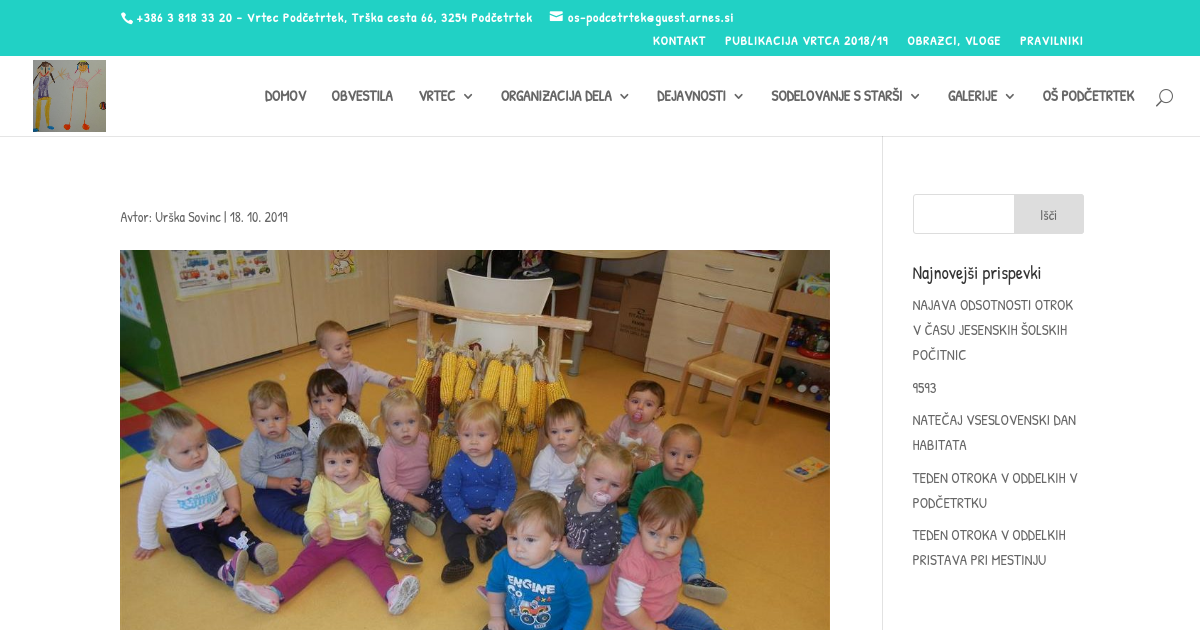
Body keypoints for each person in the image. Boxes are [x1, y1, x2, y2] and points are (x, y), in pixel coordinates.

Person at [234, 424, 420, 615]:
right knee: (304, 564)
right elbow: (312, 512)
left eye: (348, 461)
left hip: (364, 540)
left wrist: (375, 523)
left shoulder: (371, 483)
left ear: (361, 459)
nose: (340, 469)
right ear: (322, 462)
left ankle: (393, 594)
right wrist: (318, 528)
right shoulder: (321, 483)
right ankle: (274, 593)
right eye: (332, 462)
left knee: (378, 566)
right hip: (329, 539)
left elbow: (381, 508)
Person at [134, 407, 278, 588]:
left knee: (238, 533)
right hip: (186, 529)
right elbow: (147, 511)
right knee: (203, 550)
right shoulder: (160, 477)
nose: (197, 454)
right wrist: (148, 542)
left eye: (201, 445)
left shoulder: (211, 459)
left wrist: (233, 510)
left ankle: (258, 551)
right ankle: (224, 571)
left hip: (220, 516)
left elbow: (229, 483)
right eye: (185, 452)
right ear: (165, 452)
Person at [620, 424, 726, 604]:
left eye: (689, 456)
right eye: (674, 454)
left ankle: (695, 577)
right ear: (661, 452)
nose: (680, 461)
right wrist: (646, 527)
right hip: (645, 523)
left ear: (697, 459)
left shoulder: (694, 484)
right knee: (622, 523)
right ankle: (621, 549)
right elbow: (635, 504)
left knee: (689, 543)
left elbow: (696, 511)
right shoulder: (647, 478)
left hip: (675, 528)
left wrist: (680, 530)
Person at [603, 487, 724, 630]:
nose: (661, 544)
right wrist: (653, 628)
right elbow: (627, 607)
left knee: (707, 625)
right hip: (629, 623)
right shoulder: (635, 563)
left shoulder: (673, 549)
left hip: (665, 609)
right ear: (641, 523)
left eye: (672, 537)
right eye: (653, 533)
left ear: (686, 535)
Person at [481, 491, 592, 630]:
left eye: (530, 539)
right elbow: (495, 588)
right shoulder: (503, 560)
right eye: (513, 538)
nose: (519, 548)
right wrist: (497, 617)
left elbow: (581, 607)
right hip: (511, 623)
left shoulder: (569, 574)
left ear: (554, 542)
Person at [440, 398, 518, 583]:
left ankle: (489, 543)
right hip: (465, 509)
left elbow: (508, 487)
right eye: (467, 435)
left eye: (481, 435)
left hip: (493, 508)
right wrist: (467, 518)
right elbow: (450, 494)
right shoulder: (456, 463)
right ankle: (460, 559)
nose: (473, 441)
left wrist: (499, 513)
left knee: (514, 521)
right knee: (448, 527)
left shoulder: (502, 460)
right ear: (458, 435)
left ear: (495, 438)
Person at [374, 388, 446, 565]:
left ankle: (428, 515)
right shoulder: (388, 452)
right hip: (398, 494)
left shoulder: (423, 439)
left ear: (420, 420)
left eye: (411, 422)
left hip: (423, 488)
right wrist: (411, 499)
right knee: (400, 510)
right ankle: (396, 544)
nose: (405, 429)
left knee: (448, 489)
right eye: (397, 424)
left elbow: (422, 464)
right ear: (387, 426)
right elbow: (388, 486)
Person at [240, 380, 315, 536]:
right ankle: (305, 527)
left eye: (277, 418)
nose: (271, 425)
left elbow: (309, 456)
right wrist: (279, 483)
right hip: (271, 491)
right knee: (267, 506)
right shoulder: (254, 444)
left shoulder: (297, 434)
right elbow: (248, 474)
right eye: (263, 420)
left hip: (301, 483)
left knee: (328, 485)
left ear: (288, 416)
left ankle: (336, 517)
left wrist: (308, 478)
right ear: (253, 421)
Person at [560, 442, 634, 584]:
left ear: (624, 489)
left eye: (614, 485)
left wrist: (564, 551)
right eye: (598, 479)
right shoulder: (575, 490)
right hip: (568, 544)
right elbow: (562, 507)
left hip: (592, 565)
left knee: (569, 577)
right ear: (584, 475)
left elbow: (592, 557)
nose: (605, 489)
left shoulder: (607, 521)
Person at [313, 320, 402, 412]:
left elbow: (375, 375)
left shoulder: (357, 369)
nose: (346, 350)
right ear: (324, 353)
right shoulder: (320, 373)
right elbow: (315, 398)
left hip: (352, 415)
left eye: (348, 345)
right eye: (339, 348)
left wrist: (390, 380)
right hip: (328, 415)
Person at [305, 368, 383, 474]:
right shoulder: (315, 423)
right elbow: (315, 449)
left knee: (370, 465)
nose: (322, 406)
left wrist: (342, 430)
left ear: (343, 399)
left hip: (367, 449)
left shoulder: (350, 418)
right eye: (316, 401)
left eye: (329, 400)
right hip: (340, 458)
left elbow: (362, 445)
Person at [529, 399, 591, 500]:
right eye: (554, 432)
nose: (560, 437)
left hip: (580, 495)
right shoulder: (545, 458)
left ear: (581, 433)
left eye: (568, 431)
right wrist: (559, 502)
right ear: (547, 434)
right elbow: (537, 488)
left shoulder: (586, 452)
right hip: (550, 498)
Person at [604, 381, 668, 474]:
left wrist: (644, 464)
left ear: (657, 412)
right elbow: (607, 441)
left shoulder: (655, 434)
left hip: (639, 474)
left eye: (648, 404)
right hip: (616, 465)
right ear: (626, 405)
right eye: (635, 401)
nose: (640, 407)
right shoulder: (619, 421)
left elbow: (659, 462)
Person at [33, 62, 54, 132]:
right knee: (38, 112)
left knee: (47, 112)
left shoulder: (48, 75)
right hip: (40, 97)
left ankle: (48, 124)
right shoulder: (40, 76)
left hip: (47, 97)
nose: (45, 70)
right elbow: (37, 86)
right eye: (42, 68)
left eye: (47, 68)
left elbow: (52, 69)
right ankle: (37, 127)